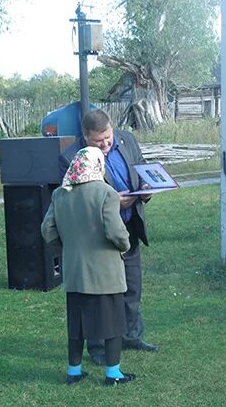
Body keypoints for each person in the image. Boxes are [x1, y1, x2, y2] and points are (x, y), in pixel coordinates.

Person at [59, 109, 157, 366]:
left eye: (108, 138)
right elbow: (73, 204)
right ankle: (99, 347)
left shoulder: (127, 139)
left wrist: (146, 189)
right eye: (98, 141)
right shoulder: (71, 158)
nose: (105, 144)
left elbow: (141, 170)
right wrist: (113, 205)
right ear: (84, 137)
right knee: (100, 299)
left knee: (132, 289)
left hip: (129, 228)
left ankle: (132, 337)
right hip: (99, 239)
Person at [41, 146, 136, 385]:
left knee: (76, 326)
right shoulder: (106, 193)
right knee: (113, 323)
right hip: (105, 272)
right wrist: (125, 246)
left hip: (74, 271)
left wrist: (66, 248)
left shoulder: (60, 194)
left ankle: (74, 372)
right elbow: (115, 232)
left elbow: (47, 230)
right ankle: (113, 374)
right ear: (98, 165)